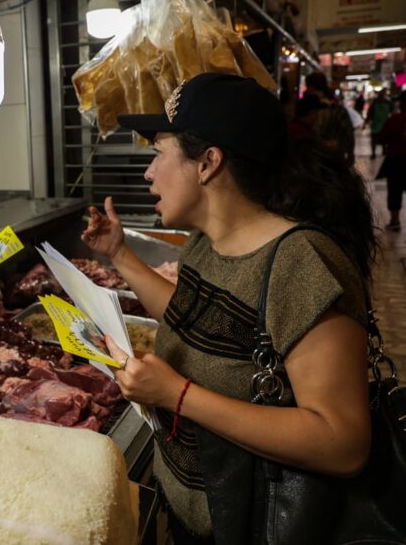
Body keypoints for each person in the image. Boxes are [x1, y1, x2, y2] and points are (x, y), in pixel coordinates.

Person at [81, 73, 378, 543]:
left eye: (159, 152)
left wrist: (177, 396)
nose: (148, 172)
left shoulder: (301, 263)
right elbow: (194, 319)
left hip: (258, 527)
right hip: (195, 515)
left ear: (208, 163)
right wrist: (119, 255)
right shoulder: (208, 242)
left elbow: (342, 442)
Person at [304, 71, 356, 166]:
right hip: (336, 155)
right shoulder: (338, 108)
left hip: (315, 157)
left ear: (311, 87)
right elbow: (348, 131)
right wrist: (350, 153)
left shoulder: (308, 107)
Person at [376, 92, 406, 231]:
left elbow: (382, 138)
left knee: (394, 191)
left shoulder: (394, 119)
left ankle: (395, 221)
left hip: (396, 161)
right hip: (397, 160)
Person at [366, 88, 393, 158]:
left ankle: (384, 150)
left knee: (385, 139)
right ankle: (373, 153)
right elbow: (369, 114)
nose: (382, 95)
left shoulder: (388, 102)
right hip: (376, 124)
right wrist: (366, 122)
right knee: (374, 139)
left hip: (385, 124)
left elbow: (392, 112)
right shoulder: (375, 103)